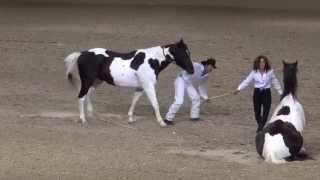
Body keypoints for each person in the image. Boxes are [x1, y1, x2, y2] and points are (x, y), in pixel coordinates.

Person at [234, 55, 282, 132]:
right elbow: (247, 81)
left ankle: (260, 128)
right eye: (260, 62)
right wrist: (239, 89)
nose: (262, 64)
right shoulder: (254, 72)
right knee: (257, 112)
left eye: (263, 62)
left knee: (266, 111)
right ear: (257, 63)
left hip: (266, 93)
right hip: (257, 93)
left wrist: (280, 92)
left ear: (266, 63)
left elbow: (275, 82)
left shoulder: (270, 72)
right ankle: (261, 125)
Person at [164, 58, 217, 125]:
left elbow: (202, 87)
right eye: (211, 67)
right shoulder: (197, 65)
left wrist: (205, 97)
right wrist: (174, 60)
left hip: (188, 83)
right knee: (179, 101)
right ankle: (168, 119)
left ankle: (194, 116)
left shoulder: (206, 76)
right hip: (181, 80)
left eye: (212, 68)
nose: (211, 69)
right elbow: (186, 62)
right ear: (206, 65)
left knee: (196, 98)